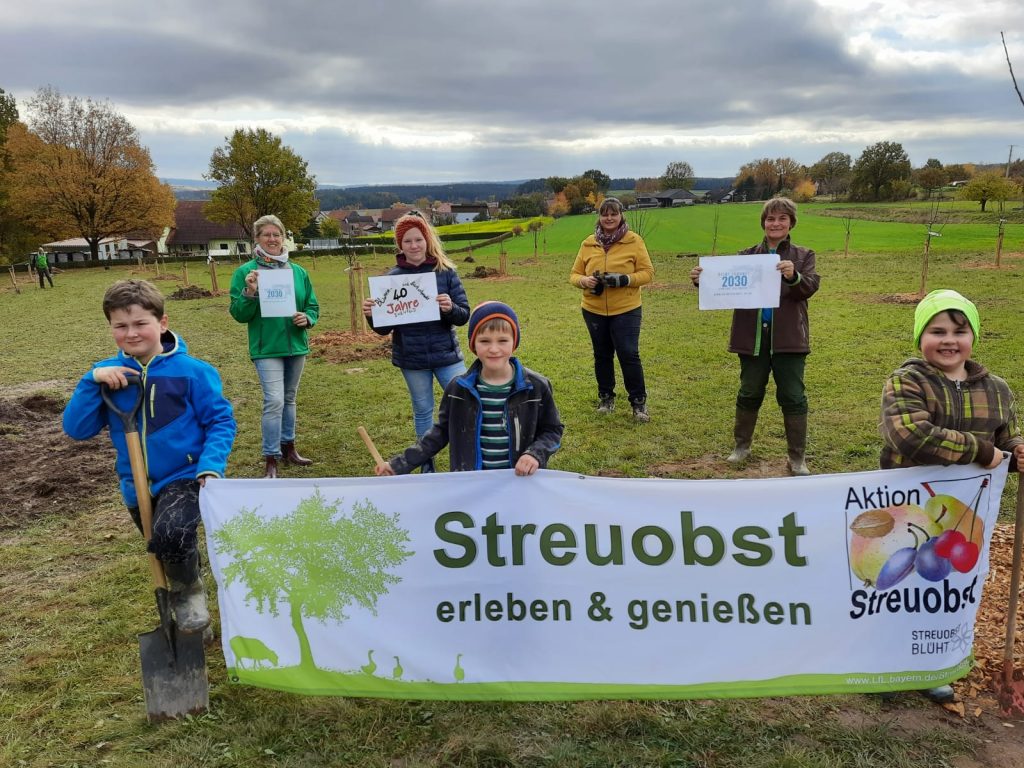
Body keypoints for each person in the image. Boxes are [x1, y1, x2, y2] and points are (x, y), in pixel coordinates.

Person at [62, 279, 236, 633]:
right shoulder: (109, 376)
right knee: (164, 545)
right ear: (110, 327)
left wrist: (211, 465)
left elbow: (220, 421)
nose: (131, 333)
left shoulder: (193, 372)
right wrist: (90, 380)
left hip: (183, 475)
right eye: (120, 326)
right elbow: (77, 429)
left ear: (163, 323)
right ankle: (184, 584)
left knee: (172, 533)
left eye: (141, 323)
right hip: (135, 482)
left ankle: (189, 592)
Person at [880, 288, 1024, 704]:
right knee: (898, 588)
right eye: (936, 330)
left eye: (960, 331)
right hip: (907, 509)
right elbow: (909, 435)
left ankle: (931, 663)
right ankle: (886, 664)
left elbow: (1004, 436)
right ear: (920, 337)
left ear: (973, 337)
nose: (948, 340)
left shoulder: (995, 388)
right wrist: (981, 452)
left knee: (945, 589)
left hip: (965, 517)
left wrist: (1015, 451)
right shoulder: (906, 381)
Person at [690, 196, 820, 475]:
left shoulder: (803, 256)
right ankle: (741, 446)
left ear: (791, 223)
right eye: (770, 218)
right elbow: (724, 287)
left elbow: (808, 287)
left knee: (793, 396)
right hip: (752, 340)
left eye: (782, 218)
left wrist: (793, 275)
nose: (775, 223)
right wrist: (703, 280)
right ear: (763, 222)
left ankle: (797, 458)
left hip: (789, 340)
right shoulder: (746, 256)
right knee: (749, 393)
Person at [375, 301, 563, 476]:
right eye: (485, 341)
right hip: (472, 483)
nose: (494, 349)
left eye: (503, 340)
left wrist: (534, 454)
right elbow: (439, 434)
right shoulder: (458, 389)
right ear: (473, 344)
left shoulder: (536, 387)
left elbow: (552, 430)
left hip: (519, 481)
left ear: (514, 342)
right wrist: (398, 465)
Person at [362, 211, 470, 471]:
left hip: (446, 355)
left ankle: (466, 455)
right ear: (400, 245)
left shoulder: (445, 272)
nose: (414, 246)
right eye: (408, 241)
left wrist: (449, 307)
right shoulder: (392, 279)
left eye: (418, 240)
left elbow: (463, 315)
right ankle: (426, 463)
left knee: (465, 403)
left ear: (427, 240)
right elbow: (383, 330)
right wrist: (372, 315)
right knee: (423, 411)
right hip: (412, 359)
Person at [229, 214, 319, 478]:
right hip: (266, 348)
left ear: (284, 238)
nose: (272, 239)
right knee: (274, 400)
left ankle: (289, 447)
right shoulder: (246, 273)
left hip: (296, 346)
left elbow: (312, 305)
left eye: (276, 234)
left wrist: (308, 318)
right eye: (266, 235)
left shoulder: (298, 272)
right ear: (257, 239)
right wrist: (250, 293)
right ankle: (271, 457)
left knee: (289, 399)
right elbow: (238, 314)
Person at [569, 196, 655, 422]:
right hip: (593, 309)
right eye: (605, 214)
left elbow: (648, 273)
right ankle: (606, 398)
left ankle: (638, 403)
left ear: (621, 215)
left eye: (613, 214)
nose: (609, 218)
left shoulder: (634, 241)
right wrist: (584, 281)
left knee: (629, 354)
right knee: (602, 355)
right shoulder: (588, 243)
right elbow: (574, 275)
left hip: (626, 309)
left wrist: (624, 279)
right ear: (599, 216)